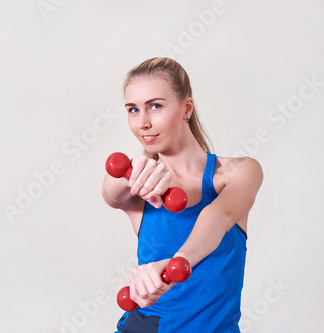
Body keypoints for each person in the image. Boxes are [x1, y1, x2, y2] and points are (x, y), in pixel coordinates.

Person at [102, 57, 263, 333]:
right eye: (132, 109)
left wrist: (176, 265)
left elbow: (218, 216)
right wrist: (132, 179)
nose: (142, 122)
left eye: (155, 106)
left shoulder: (237, 172)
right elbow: (111, 192)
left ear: (186, 108)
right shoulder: (136, 181)